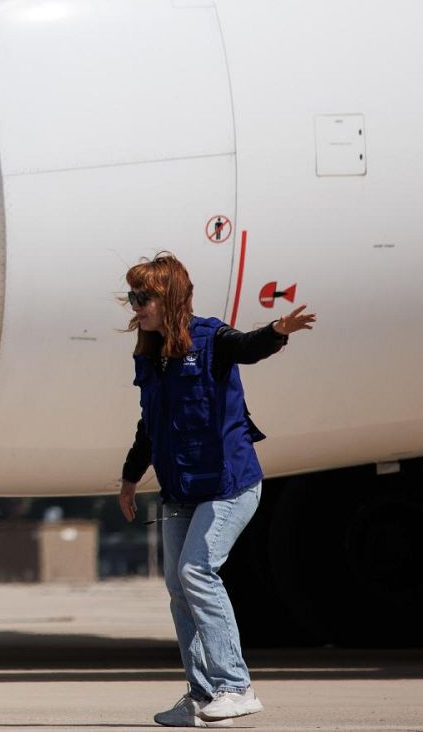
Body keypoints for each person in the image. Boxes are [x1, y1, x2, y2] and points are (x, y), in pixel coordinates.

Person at [117, 253, 314, 728]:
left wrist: (277, 331)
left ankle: (236, 686)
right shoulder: (150, 354)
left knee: (197, 571)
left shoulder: (210, 339)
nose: (136, 305)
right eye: (132, 296)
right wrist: (130, 477)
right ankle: (202, 695)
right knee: (178, 587)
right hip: (180, 489)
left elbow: (248, 346)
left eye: (144, 296)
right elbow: (149, 425)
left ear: (170, 298)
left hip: (229, 485)